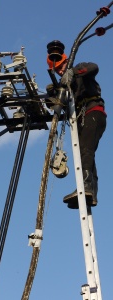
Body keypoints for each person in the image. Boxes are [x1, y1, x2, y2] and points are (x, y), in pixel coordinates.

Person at [46, 45, 106, 209]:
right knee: (87, 153)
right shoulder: (66, 85)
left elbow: (94, 67)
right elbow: (58, 105)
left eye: (60, 67)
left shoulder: (79, 71)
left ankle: (85, 188)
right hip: (83, 117)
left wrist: (73, 73)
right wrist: (53, 94)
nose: (59, 71)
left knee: (85, 151)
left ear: (66, 62)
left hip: (93, 112)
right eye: (56, 70)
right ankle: (91, 193)